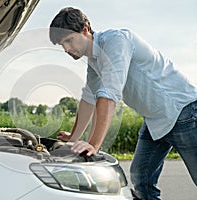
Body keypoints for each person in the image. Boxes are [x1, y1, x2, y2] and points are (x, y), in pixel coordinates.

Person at [49, 7, 197, 200]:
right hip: (155, 121)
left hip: (183, 112)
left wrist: (94, 144)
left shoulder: (116, 41)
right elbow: (89, 99)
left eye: (69, 40)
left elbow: (108, 95)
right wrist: (72, 138)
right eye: (62, 45)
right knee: (141, 178)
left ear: (85, 29)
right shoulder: (94, 62)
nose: (67, 49)